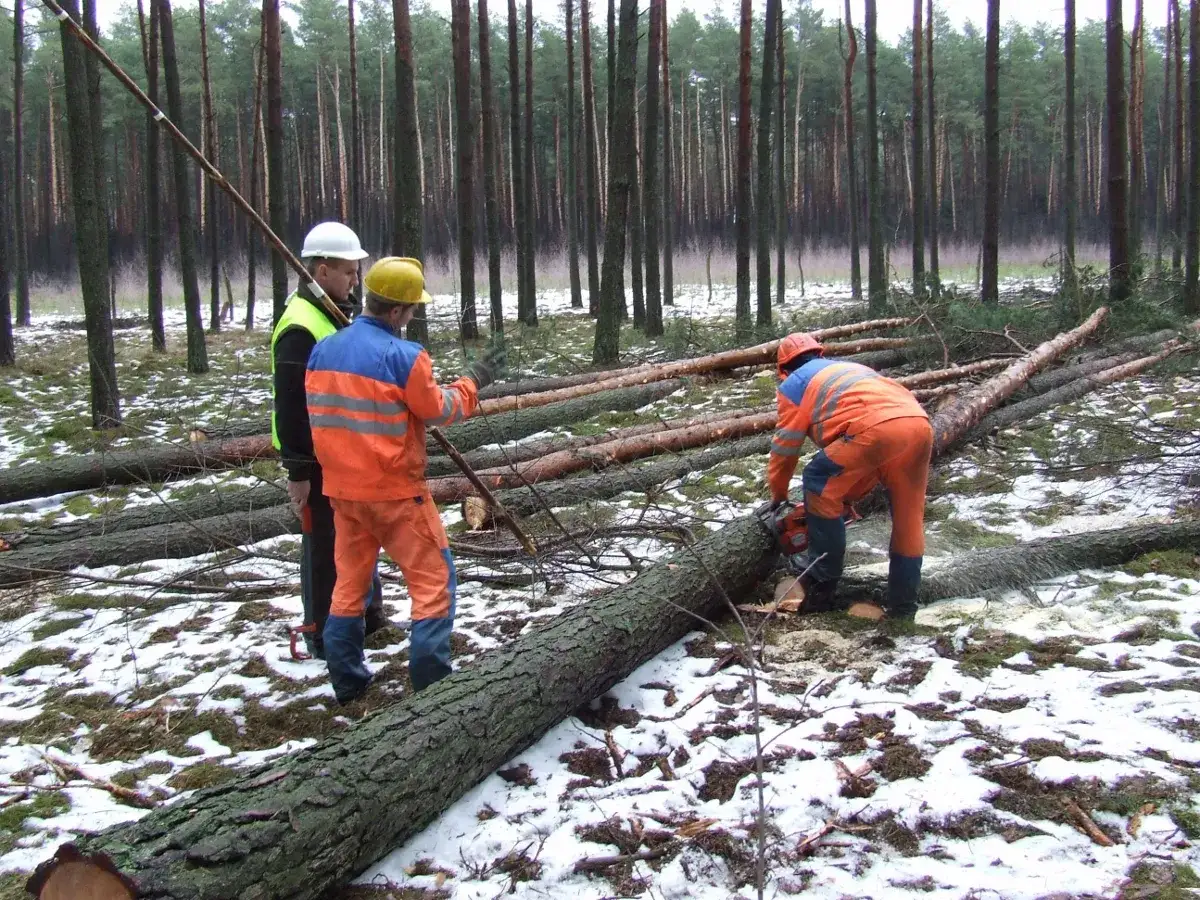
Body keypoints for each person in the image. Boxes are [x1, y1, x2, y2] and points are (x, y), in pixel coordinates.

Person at [305, 256, 504, 703]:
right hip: (396, 495)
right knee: (434, 582)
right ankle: (433, 687)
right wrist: (474, 381)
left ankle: (348, 682)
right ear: (395, 311)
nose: (413, 316)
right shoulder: (405, 358)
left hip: (342, 495)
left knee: (349, 586)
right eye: (412, 309)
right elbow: (440, 410)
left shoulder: (324, 349)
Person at [270, 221, 386, 659]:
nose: (355, 279)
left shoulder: (332, 314)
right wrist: (298, 470)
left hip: (344, 454)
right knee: (324, 549)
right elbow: (293, 407)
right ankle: (322, 632)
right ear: (321, 271)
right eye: (348, 271)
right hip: (317, 461)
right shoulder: (300, 327)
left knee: (358, 537)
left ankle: (366, 618)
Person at [767, 333, 933, 621]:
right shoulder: (852, 368)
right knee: (908, 518)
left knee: (817, 479)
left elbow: (786, 447)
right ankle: (904, 609)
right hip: (919, 423)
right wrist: (848, 496)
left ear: (783, 369)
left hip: (873, 428)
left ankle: (822, 583)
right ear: (820, 354)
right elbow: (869, 462)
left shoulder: (793, 384)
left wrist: (779, 496)